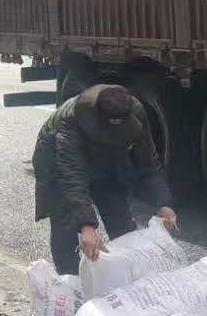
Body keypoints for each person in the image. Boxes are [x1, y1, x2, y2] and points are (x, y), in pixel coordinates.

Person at [32, 83, 176, 276]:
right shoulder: (71, 120)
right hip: (55, 160)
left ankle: (128, 282)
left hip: (104, 161)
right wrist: (87, 226)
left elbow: (148, 161)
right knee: (66, 224)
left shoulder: (135, 112)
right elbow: (72, 177)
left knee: (122, 224)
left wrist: (164, 203)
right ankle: (71, 281)